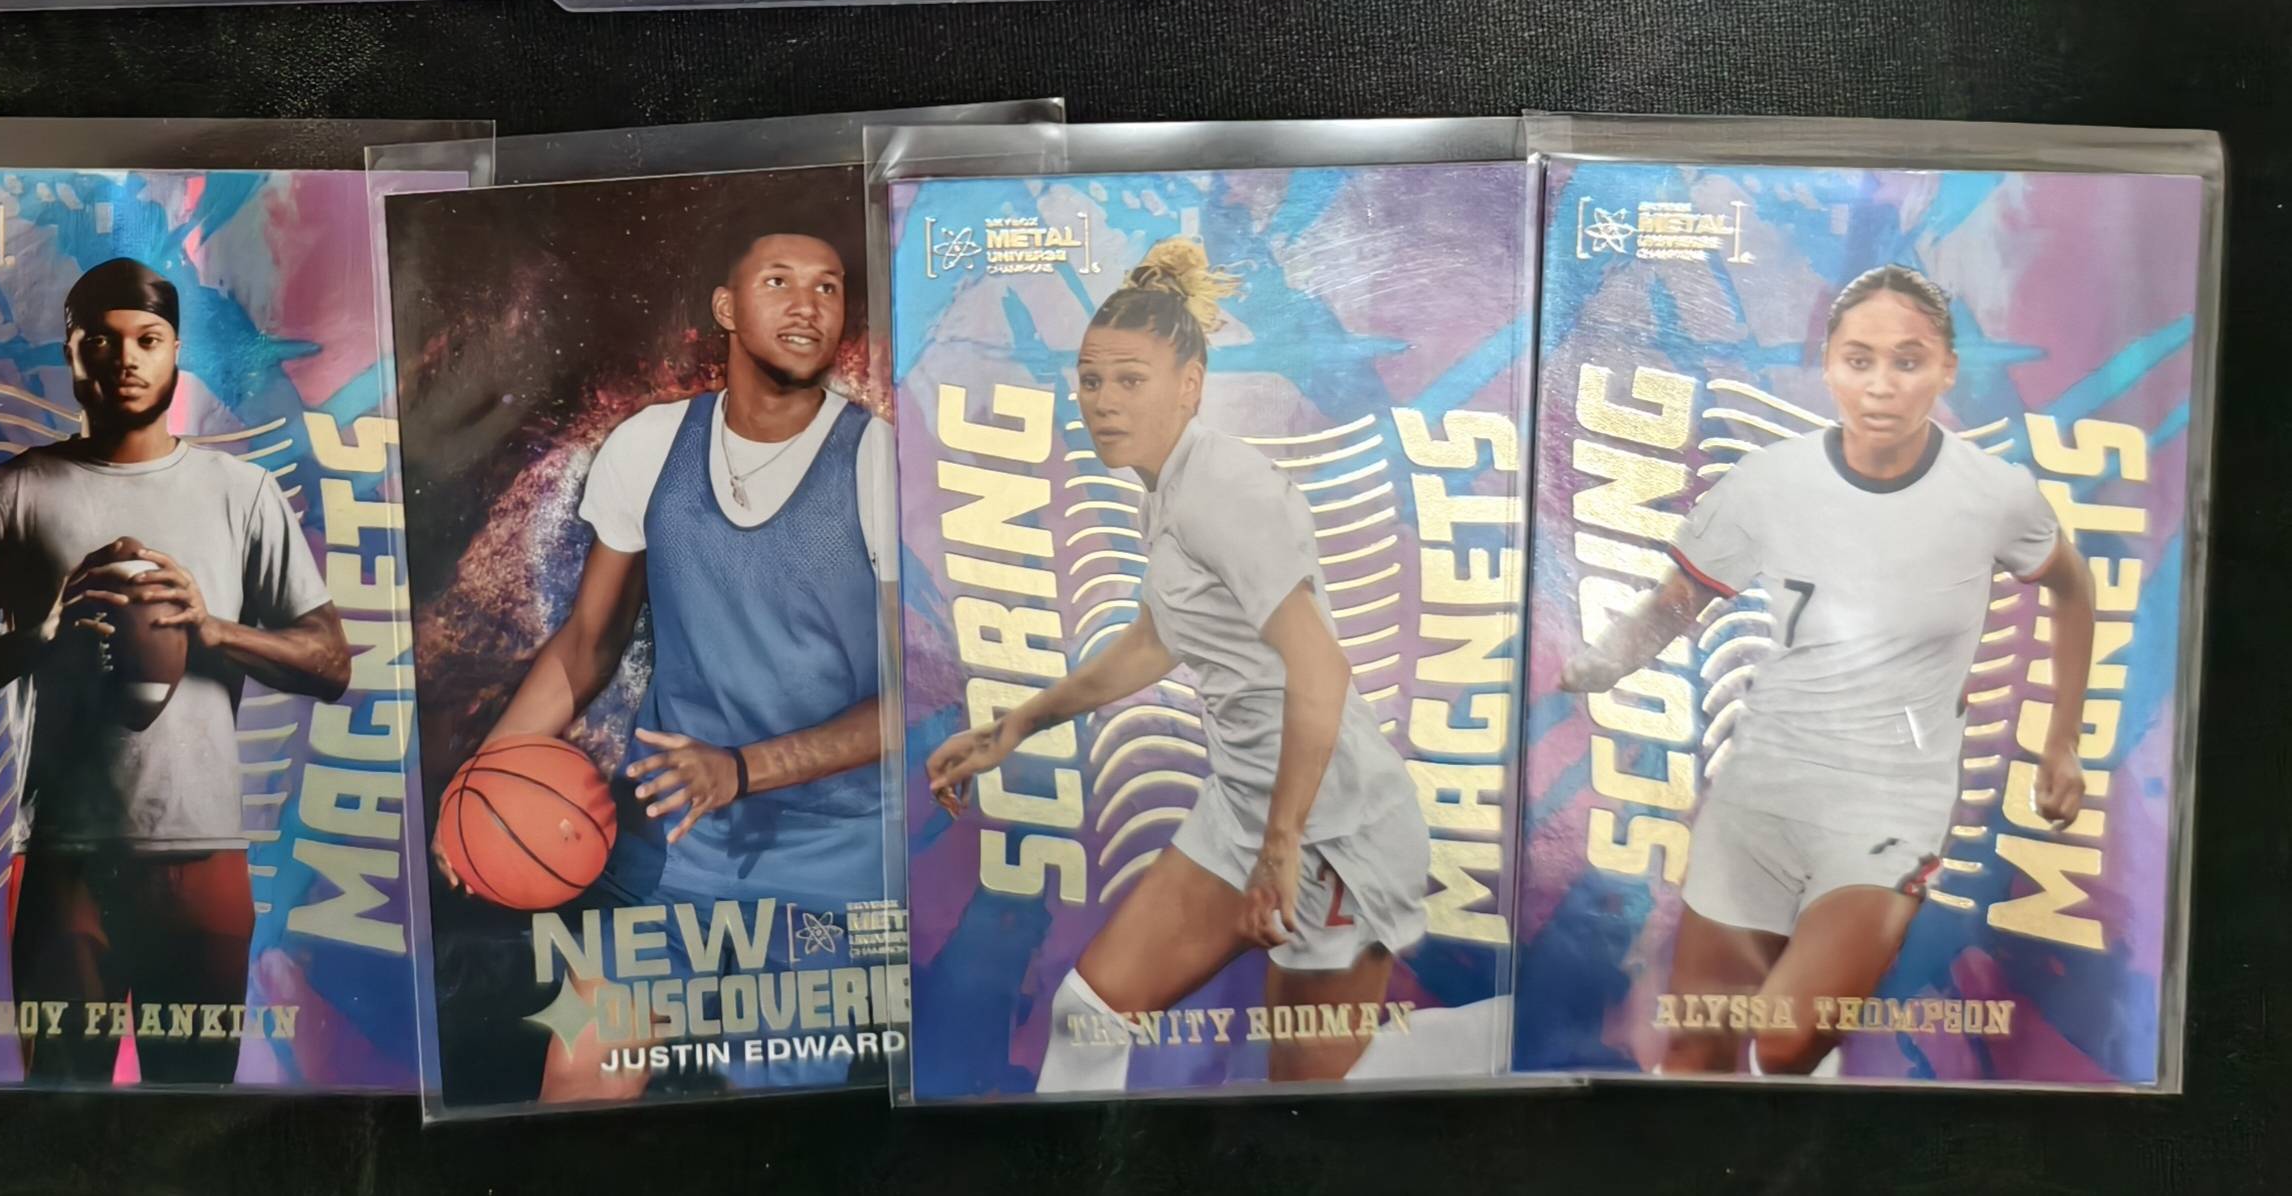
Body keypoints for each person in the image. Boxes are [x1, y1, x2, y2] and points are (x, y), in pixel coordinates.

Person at [1557, 265, 2098, 1076]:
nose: (1881, 384)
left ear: (1947, 370)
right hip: (1762, 796)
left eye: (1908, 361)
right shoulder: (1770, 482)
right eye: (1859, 359)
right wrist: (1601, 660)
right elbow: (1675, 601)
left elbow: (2072, 587)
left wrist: (2062, 743)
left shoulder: (1993, 495)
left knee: (1783, 1039)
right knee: (1699, 1046)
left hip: (1889, 806)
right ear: (1829, 366)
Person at [926, 243, 1443, 1086]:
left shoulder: (1224, 491)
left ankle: (1465, 1056)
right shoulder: (1167, 488)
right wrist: (1015, 726)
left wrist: (1282, 844)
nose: (1104, 401)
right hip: (1245, 807)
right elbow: (1154, 642)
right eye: (1091, 380)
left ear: (1191, 385)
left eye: (1130, 380)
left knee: (1308, 1095)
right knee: (1089, 1016)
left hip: (1335, 831)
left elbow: (1321, 672)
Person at [447, 231, 895, 1101]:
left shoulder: (879, 465)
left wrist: (741, 769)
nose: (807, 305)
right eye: (778, 282)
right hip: (674, 839)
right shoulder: (651, 445)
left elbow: (915, 699)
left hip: (830, 856)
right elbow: (589, 642)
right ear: (726, 308)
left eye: (828, 287)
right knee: (580, 1072)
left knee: (778, 1099)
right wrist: (481, 783)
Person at [0, 259, 353, 1086]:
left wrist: (211, 629)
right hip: (65, 858)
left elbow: (330, 663)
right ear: (70, 353)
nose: (126, 359)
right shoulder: (13, 492)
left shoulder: (242, 492)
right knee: (61, 1112)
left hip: (203, 855)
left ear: (176, 350)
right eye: (102, 341)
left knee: (197, 1116)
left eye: (147, 340)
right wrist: (41, 636)